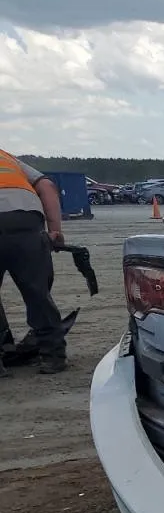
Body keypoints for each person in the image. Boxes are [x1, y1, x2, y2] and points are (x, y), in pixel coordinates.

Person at [0, 148, 66, 374]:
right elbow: (46, 186)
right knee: (37, 293)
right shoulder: (6, 157)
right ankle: (53, 356)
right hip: (26, 221)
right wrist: (55, 232)